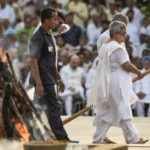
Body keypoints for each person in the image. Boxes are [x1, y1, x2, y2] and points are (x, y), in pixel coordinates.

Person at [88, 21, 149, 144]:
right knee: (118, 111)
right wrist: (139, 73)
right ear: (116, 34)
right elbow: (126, 65)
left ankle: (128, 138)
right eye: (123, 34)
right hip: (117, 85)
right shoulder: (116, 47)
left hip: (109, 83)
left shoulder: (105, 45)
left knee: (113, 111)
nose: (125, 36)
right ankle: (128, 138)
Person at [29, 7, 78, 143]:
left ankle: (35, 136)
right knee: (54, 109)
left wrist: (59, 78)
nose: (57, 22)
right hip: (43, 81)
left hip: (49, 79)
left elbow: (50, 62)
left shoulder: (49, 35)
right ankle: (62, 139)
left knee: (39, 111)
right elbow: (34, 62)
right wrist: (39, 84)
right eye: (55, 19)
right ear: (46, 20)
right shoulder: (38, 37)